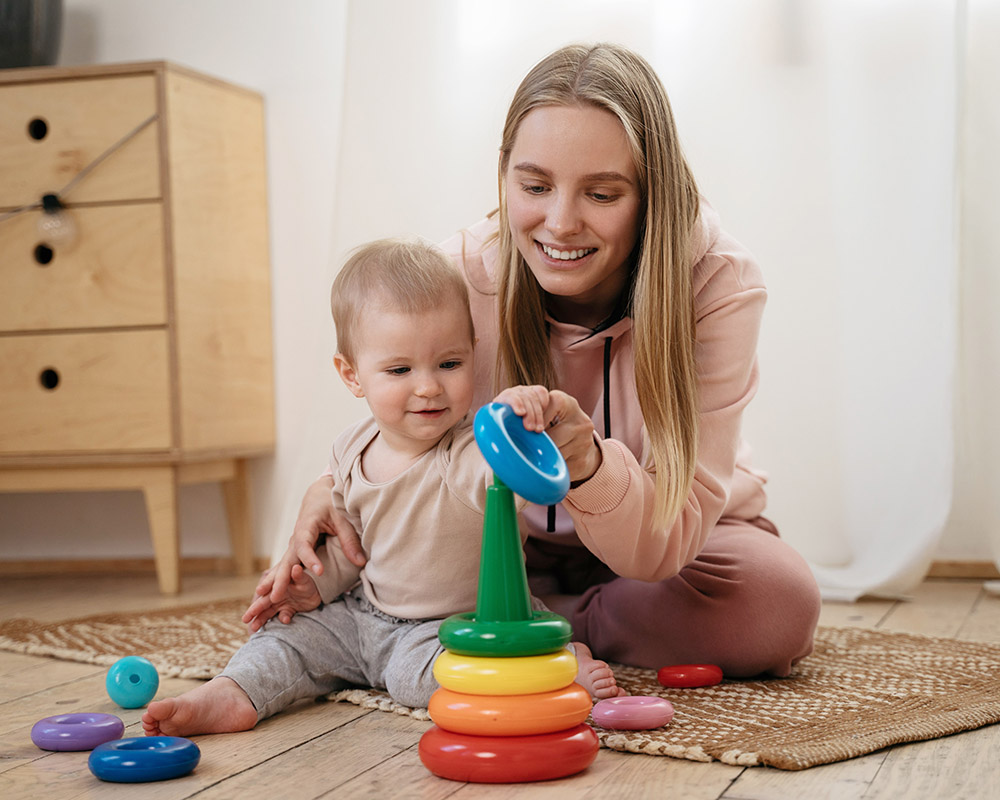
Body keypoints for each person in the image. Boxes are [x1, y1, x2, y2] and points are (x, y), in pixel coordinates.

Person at [264, 42, 823, 680]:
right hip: (499, 542)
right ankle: (530, 615)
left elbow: (665, 543)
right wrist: (328, 487)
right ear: (503, 173)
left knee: (775, 603)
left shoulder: (716, 282)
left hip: (665, 546)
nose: (560, 223)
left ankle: (531, 622)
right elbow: (405, 419)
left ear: (651, 193)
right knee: (377, 577)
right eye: (534, 186)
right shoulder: (457, 278)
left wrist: (587, 468)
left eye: (603, 194)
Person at [142, 239, 622, 738]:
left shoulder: (469, 455)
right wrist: (313, 587)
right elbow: (353, 548)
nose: (429, 387)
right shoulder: (351, 449)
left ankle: (553, 667)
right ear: (352, 375)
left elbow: (509, 472)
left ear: (472, 356)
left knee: (420, 677)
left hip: (452, 627)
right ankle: (233, 693)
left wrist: (522, 417)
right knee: (282, 638)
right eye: (399, 370)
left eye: (449, 364)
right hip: (363, 614)